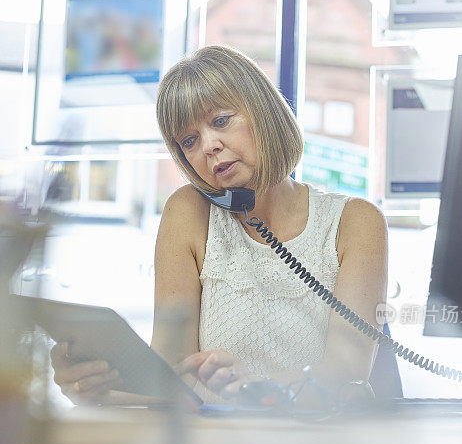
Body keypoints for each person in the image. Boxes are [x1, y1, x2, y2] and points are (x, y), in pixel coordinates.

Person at [52, 45, 388, 406]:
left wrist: (259, 389)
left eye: (221, 121)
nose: (209, 146)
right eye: (189, 141)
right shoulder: (188, 213)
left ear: (263, 113)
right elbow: (170, 371)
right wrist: (95, 389)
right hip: (209, 443)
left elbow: (348, 367)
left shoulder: (355, 222)